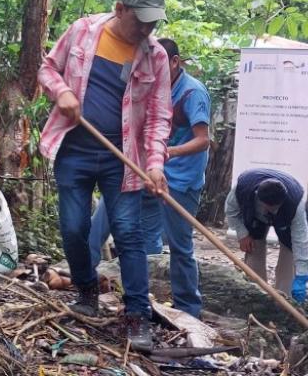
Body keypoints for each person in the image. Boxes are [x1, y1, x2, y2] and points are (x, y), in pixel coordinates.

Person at [37, 0, 171, 352]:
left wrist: (156, 163)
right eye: (140, 20)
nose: (146, 29)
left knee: (129, 233)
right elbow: (48, 70)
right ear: (119, 9)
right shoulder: (82, 32)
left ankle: (137, 317)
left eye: (153, 22)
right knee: (74, 227)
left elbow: (160, 114)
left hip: (123, 157)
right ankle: (86, 290)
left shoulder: (155, 55)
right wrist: (61, 91)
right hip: (75, 148)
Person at [87, 38, 210, 318]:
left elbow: (204, 140)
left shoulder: (192, 93)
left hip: (179, 180)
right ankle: (84, 283)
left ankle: (188, 308)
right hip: (142, 171)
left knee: (180, 247)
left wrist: (169, 152)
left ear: (175, 63)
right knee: (104, 220)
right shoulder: (144, 83)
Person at [225, 169, 308, 301]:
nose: (271, 209)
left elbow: (301, 240)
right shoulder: (242, 188)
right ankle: (257, 295)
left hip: (286, 219)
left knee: (289, 251)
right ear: (258, 195)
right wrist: (243, 234)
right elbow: (231, 211)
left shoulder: (295, 205)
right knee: (253, 247)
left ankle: (284, 300)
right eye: (268, 206)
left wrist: (302, 275)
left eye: (274, 206)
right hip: (255, 217)